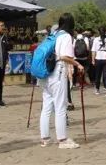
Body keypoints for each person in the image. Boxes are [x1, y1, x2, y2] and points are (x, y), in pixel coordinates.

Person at [39, 12, 83, 149]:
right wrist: (78, 64)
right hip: (57, 73)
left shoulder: (52, 35)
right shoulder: (66, 36)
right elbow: (64, 56)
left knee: (46, 107)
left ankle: (45, 138)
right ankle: (62, 140)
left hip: (45, 74)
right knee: (60, 107)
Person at [91, 27, 106, 95]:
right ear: (105, 32)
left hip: (98, 59)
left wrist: (93, 59)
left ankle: (97, 89)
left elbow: (93, 50)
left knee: (98, 75)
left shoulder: (96, 39)